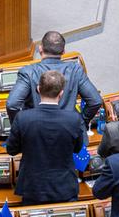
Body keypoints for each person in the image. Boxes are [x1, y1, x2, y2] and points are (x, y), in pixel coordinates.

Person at [9, 71, 84, 204]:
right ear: (61, 93)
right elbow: (77, 149)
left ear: (38, 89)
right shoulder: (74, 119)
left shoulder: (23, 118)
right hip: (65, 188)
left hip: (33, 188)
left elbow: (11, 150)